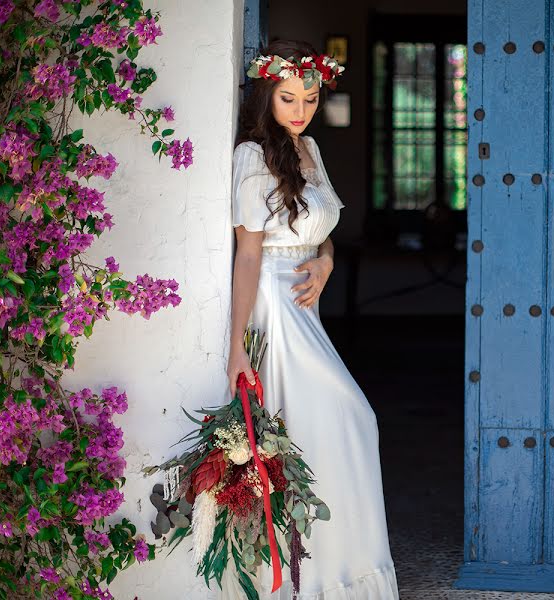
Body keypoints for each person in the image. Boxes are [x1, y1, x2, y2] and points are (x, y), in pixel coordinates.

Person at [223, 39, 399, 599]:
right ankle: (315, 583)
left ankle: (341, 577)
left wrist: (323, 265)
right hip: (276, 311)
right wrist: (235, 346)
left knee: (335, 433)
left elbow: (323, 238)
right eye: (287, 98)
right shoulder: (252, 156)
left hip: (307, 303)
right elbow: (248, 253)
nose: (300, 110)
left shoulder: (311, 149)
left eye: (311, 97)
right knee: (350, 419)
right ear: (266, 96)